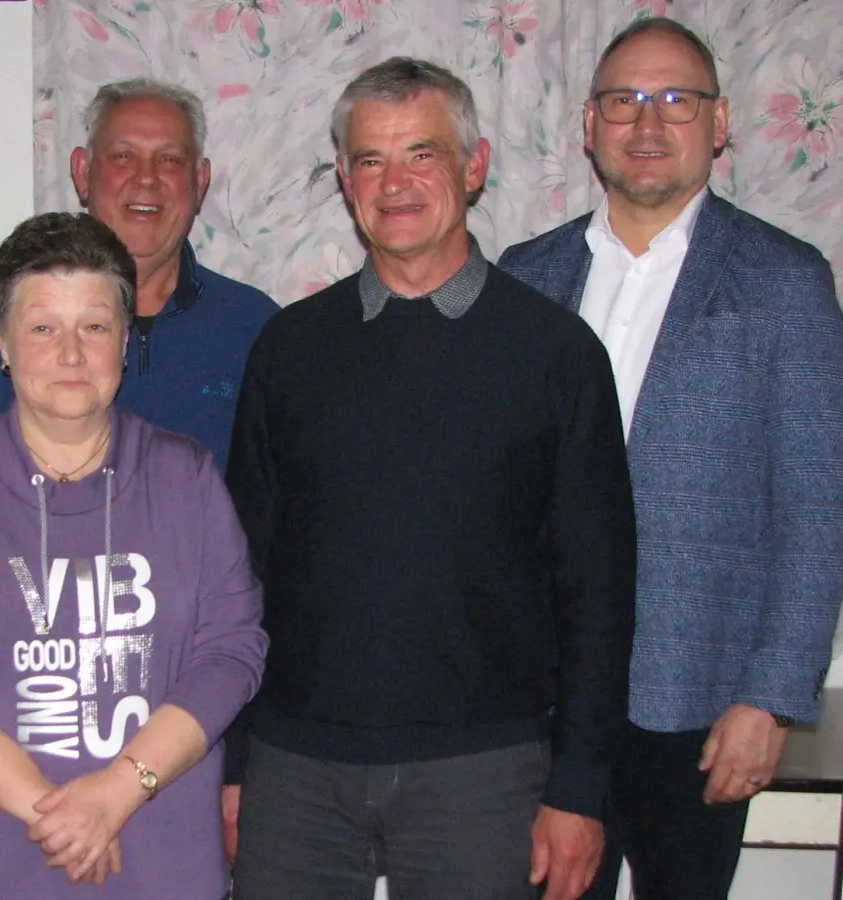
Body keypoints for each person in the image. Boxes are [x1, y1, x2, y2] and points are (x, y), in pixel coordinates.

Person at [223, 57, 638, 900]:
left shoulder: (555, 356)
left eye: (423, 154)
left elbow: (600, 587)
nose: (396, 183)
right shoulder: (289, 351)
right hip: (296, 772)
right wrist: (232, 760)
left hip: (484, 774)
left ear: (473, 167)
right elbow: (240, 573)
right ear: (345, 180)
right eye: (371, 160)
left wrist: (580, 787)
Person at [498, 17, 843, 900]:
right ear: (588, 126)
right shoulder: (524, 277)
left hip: (697, 701)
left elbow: (817, 506)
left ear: (720, 121)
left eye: (676, 100)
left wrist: (770, 698)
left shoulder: (784, 280)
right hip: (537, 703)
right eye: (624, 101)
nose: (648, 123)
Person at [0, 211, 267, 899]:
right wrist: (53, 812)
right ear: (2, 345)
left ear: (124, 341)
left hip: (157, 859)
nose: (71, 353)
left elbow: (231, 653)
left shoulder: (187, 480)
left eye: (96, 326)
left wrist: (116, 792)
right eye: (43, 327)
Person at [0, 78, 278, 471]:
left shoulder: (254, 325)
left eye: (170, 160)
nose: (146, 178)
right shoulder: (12, 309)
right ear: (82, 172)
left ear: (200, 182)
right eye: (123, 156)